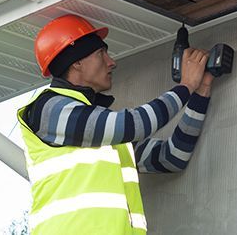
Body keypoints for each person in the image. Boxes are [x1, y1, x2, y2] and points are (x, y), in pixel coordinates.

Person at [17, 14, 213, 234]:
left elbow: (172, 157)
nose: (112, 62)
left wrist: (201, 91)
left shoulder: (102, 133)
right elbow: (134, 125)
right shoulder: (49, 109)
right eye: (101, 53)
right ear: (77, 62)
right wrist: (185, 85)